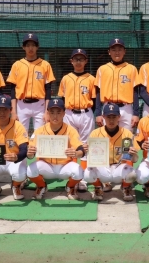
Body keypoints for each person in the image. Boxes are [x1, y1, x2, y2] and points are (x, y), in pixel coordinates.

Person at [27, 98, 86, 200]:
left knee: (79, 172)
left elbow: (81, 149)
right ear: (48, 113)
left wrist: (77, 153)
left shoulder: (70, 130)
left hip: (65, 166)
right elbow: (30, 153)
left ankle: (70, 186)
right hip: (47, 166)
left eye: (58, 112)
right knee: (30, 170)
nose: (55, 116)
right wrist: (30, 153)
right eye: (52, 112)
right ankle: (41, 186)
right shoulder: (40, 130)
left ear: (64, 113)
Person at [58, 48, 96, 192]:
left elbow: (94, 100)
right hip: (69, 113)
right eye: (76, 59)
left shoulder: (91, 79)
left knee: (85, 145)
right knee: (71, 144)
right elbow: (62, 99)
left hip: (86, 112)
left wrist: (91, 112)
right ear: (71, 61)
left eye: (81, 59)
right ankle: (74, 177)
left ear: (86, 61)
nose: (78, 61)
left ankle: (84, 179)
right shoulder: (66, 78)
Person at [83, 103, 137, 201]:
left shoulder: (126, 133)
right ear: (103, 117)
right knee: (87, 173)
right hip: (103, 168)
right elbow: (90, 158)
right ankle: (98, 187)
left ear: (119, 117)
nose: (111, 120)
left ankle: (125, 187)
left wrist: (134, 154)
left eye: (114, 117)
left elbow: (135, 160)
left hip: (119, 167)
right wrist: (86, 151)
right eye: (108, 117)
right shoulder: (95, 133)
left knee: (132, 173)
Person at [7, 33, 56, 133]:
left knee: (40, 134)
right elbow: (12, 90)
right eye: (28, 45)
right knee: (21, 134)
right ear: (23, 47)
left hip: (40, 105)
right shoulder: (17, 65)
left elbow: (48, 90)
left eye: (33, 45)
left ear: (37, 47)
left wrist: (47, 111)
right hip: (21, 105)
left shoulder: (45, 65)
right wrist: (14, 112)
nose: (30, 48)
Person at [94, 38, 140, 130]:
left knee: (127, 137)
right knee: (107, 136)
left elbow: (135, 92)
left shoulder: (132, 69)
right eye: (114, 50)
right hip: (107, 107)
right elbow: (98, 92)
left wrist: (136, 113)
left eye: (119, 49)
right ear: (109, 52)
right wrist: (98, 113)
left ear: (124, 51)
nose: (117, 52)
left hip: (126, 108)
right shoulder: (102, 69)